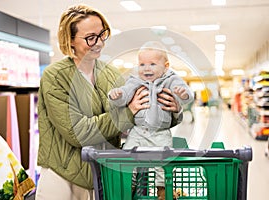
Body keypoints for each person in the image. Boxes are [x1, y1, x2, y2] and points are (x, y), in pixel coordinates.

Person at [35, 4, 182, 200]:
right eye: (90, 38)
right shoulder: (56, 76)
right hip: (63, 175)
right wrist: (127, 113)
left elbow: (140, 118)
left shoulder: (110, 74)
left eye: (102, 34)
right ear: (70, 40)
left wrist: (172, 111)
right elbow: (77, 132)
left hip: (103, 173)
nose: (99, 43)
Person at [108, 41, 194, 200]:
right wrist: (117, 95)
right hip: (138, 132)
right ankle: (129, 185)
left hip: (160, 133)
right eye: (142, 64)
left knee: (163, 162)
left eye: (153, 64)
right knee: (127, 157)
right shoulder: (135, 80)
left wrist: (183, 94)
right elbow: (125, 95)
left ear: (166, 66)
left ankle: (162, 190)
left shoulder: (170, 79)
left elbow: (186, 95)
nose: (146, 68)